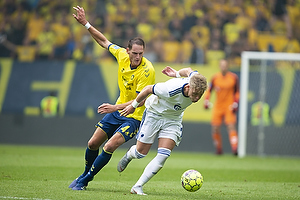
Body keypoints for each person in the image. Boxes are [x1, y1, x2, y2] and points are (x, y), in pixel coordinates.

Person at [69, 6, 155, 190]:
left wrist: (114, 108)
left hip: (135, 116)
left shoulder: (147, 71)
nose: (138, 57)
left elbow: (138, 102)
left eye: (141, 53)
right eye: (135, 53)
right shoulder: (122, 55)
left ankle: (84, 180)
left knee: (109, 146)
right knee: (92, 143)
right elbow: (103, 41)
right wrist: (86, 24)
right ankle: (85, 174)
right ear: (127, 51)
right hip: (118, 110)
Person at [117, 66, 207, 195]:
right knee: (140, 153)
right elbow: (148, 89)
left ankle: (137, 186)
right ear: (188, 87)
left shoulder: (195, 80)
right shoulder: (170, 90)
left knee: (163, 155)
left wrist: (176, 73)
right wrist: (133, 106)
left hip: (173, 120)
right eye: (195, 94)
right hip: (154, 114)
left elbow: (188, 70)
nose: (197, 98)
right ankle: (130, 154)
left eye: (200, 95)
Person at [204, 59, 239, 155]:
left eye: (225, 65)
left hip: (229, 105)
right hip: (218, 105)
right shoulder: (215, 78)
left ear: (228, 66)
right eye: (222, 65)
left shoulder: (233, 77)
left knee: (231, 126)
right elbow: (209, 90)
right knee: (215, 128)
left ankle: (235, 149)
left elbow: (237, 91)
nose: (223, 67)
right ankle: (218, 149)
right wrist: (206, 101)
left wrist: (236, 102)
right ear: (219, 66)